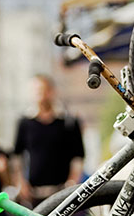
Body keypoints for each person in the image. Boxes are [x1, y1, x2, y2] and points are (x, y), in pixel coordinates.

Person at [12, 74, 86, 208]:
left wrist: (73, 182)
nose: (40, 95)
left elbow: (78, 156)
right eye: (36, 91)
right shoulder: (25, 122)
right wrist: (21, 183)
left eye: (43, 90)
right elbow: (17, 155)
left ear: (52, 91)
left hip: (61, 193)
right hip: (33, 195)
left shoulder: (68, 122)